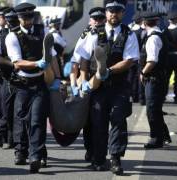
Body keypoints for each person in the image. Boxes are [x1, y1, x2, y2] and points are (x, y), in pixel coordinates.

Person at [75, 0, 139, 175]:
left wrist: (108, 71)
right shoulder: (95, 33)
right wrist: (82, 79)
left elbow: (129, 60)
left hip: (118, 85)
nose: (113, 14)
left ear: (123, 14)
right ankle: (98, 159)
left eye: (117, 11)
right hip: (98, 86)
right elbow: (84, 58)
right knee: (98, 122)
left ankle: (116, 159)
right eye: (110, 11)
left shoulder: (129, 34)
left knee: (118, 119)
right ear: (106, 12)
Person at [5, 2, 57, 173]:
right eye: (24, 17)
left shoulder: (44, 33)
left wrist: (57, 80)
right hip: (22, 84)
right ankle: (21, 152)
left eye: (31, 17)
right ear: (19, 18)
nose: (28, 20)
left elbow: (53, 57)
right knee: (20, 119)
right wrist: (37, 63)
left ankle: (36, 156)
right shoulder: (12, 36)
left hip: (39, 83)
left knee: (37, 120)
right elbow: (17, 63)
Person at [70, 6, 106, 162]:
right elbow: (79, 60)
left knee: (101, 121)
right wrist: (78, 83)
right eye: (94, 19)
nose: (97, 22)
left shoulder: (111, 33)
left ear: (104, 19)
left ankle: (99, 155)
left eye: (100, 19)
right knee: (89, 121)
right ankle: (91, 150)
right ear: (90, 20)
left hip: (109, 81)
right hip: (91, 81)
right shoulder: (87, 35)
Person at [0, 7, 20, 149]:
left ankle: (16, 143)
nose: (11, 21)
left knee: (20, 112)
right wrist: (12, 64)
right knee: (8, 111)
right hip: (7, 78)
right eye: (9, 19)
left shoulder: (24, 34)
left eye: (15, 18)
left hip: (26, 79)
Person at [139, 12, 171, 149]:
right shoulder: (158, 35)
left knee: (152, 109)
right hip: (159, 77)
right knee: (155, 108)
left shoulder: (153, 38)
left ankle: (156, 138)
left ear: (144, 23)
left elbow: (152, 61)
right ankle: (163, 135)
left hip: (154, 78)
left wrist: (142, 72)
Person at [163, 12, 177, 103]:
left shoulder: (164, 31)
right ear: (176, 20)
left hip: (168, 57)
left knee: (166, 78)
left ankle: (163, 96)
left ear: (169, 21)